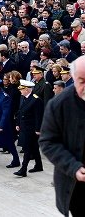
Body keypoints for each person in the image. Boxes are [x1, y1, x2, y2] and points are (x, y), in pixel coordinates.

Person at [40, 56, 85, 216]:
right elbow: (48, 142)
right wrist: (73, 167)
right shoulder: (59, 104)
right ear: (73, 78)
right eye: (81, 81)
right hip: (76, 186)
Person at [14, 79, 44, 177]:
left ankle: (23, 170)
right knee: (34, 147)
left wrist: (38, 129)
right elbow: (20, 111)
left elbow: (38, 116)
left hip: (31, 128)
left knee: (27, 148)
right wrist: (18, 123)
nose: (20, 91)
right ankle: (39, 165)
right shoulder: (23, 97)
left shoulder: (36, 100)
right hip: (24, 126)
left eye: (22, 89)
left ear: (27, 89)